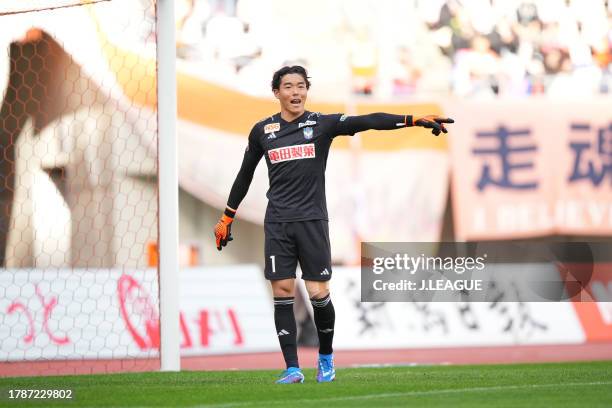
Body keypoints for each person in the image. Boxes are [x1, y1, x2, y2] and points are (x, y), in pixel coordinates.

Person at [213, 65, 454, 384]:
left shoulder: (321, 124)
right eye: (288, 87)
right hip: (278, 223)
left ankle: (325, 360)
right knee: (282, 290)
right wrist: (227, 216)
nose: (296, 92)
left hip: (312, 221)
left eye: (301, 86)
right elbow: (245, 174)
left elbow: (366, 121)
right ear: (277, 93)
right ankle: (292, 368)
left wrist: (413, 120)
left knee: (317, 293)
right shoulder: (263, 131)